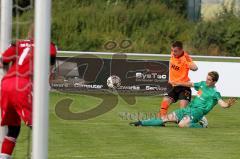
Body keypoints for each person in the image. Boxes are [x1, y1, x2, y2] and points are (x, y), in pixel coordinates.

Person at [0, 25, 57, 159]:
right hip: (23, 85)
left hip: (6, 84)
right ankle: (37, 155)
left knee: (13, 128)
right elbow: (51, 61)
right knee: (38, 125)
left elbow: (2, 62)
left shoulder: (18, 44)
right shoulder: (48, 45)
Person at [130, 71, 236, 128]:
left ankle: (202, 124)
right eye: (207, 78)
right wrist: (178, 83)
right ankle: (141, 123)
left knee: (182, 125)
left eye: (209, 80)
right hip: (188, 109)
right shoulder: (202, 84)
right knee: (164, 119)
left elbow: (222, 104)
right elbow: (190, 84)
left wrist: (228, 105)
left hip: (197, 112)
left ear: (214, 82)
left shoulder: (215, 93)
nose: (206, 80)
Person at [158, 41, 198, 118]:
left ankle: (195, 119)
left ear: (181, 50)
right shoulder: (173, 54)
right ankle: (161, 121)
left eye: (175, 51)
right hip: (172, 85)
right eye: (172, 50)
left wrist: (190, 65)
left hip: (183, 86)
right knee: (164, 105)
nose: (173, 53)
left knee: (183, 111)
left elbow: (195, 68)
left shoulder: (186, 58)